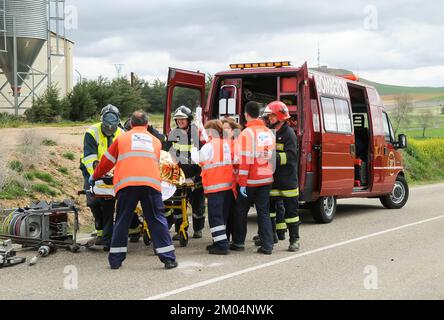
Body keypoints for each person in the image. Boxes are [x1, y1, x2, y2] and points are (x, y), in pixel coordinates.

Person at [90, 110, 178, 270]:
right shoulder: (155, 141)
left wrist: (95, 176)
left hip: (127, 185)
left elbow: (106, 162)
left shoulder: (121, 138)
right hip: (150, 184)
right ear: (147, 124)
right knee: (157, 219)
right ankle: (168, 259)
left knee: (122, 220)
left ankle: (115, 261)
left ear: (130, 124)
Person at [230, 101, 276, 255]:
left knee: (241, 211)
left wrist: (242, 182)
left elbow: (245, 160)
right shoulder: (268, 132)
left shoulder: (246, 134)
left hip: (250, 180)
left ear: (245, 114)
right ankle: (267, 245)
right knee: (263, 212)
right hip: (266, 178)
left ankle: (238, 242)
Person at [80, 104, 123, 251]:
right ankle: (99, 226)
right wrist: (96, 173)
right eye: (107, 127)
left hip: (112, 172)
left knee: (109, 202)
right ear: (102, 121)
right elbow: (89, 156)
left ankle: (106, 238)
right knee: (93, 200)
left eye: (113, 126)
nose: (110, 129)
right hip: (92, 170)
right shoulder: (92, 132)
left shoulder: (122, 134)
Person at [191, 120, 235, 255]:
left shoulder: (210, 146)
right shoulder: (225, 144)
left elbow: (197, 159)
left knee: (215, 217)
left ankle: (221, 245)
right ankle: (220, 242)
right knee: (222, 217)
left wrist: (194, 147)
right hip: (227, 187)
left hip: (215, 187)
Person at [262, 101, 301, 252]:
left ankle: (294, 240)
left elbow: (291, 157)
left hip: (287, 181)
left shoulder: (289, 134)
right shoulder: (270, 132)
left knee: (291, 213)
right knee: (270, 210)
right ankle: (272, 236)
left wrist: (273, 157)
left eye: (271, 116)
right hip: (273, 179)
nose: (269, 118)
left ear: (279, 116)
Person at [165, 106, 205, 239]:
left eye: (183, 119)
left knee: (197, 203)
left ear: (188, 120)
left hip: (195, 175)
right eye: (178, 119)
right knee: (177, 203)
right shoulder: (172, 134)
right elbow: (166, 152)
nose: (180, 121)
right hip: (178, 175)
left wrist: (197, 177)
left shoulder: (196, 133)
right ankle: (180, 229)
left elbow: (203, 155)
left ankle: (198, 229)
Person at [221, 117, 243, 242]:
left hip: (235, 183)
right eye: (223, 129)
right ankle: (226, 238)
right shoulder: (221, 143)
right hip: (224, 182)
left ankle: (236, 240)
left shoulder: (237, 143)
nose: (224, 131)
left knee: (234, 213)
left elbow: (237, 161)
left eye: (227, 128)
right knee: (226, 212)